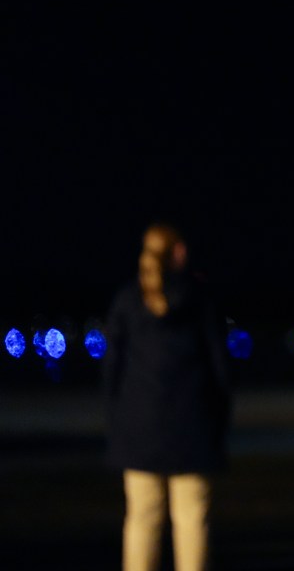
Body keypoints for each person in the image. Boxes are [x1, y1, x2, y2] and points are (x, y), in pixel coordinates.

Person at [102, 222, 232, 571]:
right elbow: (221, 368)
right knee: (192, 520)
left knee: (142, 519)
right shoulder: (202, 300)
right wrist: (219, 421)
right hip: (194, 428)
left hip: (138, 430)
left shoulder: (127, 299)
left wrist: (117, 422)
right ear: (176, 252)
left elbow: (111, 369)